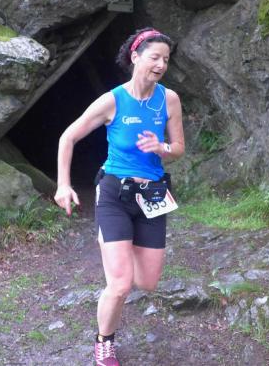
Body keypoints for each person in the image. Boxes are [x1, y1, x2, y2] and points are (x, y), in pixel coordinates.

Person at [54, 27, 185, 366]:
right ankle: (104, 342)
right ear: (135, 57)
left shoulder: (169, 99)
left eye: (166, 59)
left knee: (147, 282)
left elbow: (179, 148)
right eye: (154, 57)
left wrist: (162, 147)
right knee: (121, 284)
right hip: (115, 192)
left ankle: (121, 254)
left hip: (153, 194)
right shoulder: (113, 100)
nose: (161, 65)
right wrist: (63, 185)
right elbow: (68, 137)